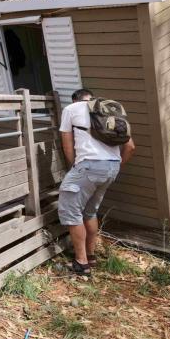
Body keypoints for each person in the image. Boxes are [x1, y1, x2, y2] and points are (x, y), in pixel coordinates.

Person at [58, 88, 136, 276]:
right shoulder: (111, 110)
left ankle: (81, 263)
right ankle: (90, 256)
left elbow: (67, 144)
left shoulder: (71, 109)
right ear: (92, 98)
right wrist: (113, 167)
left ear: (76, 99)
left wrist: (75, 168)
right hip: (112, 168)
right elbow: (131, 147)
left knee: (70, 210)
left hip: (88, 166)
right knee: (89, 211)